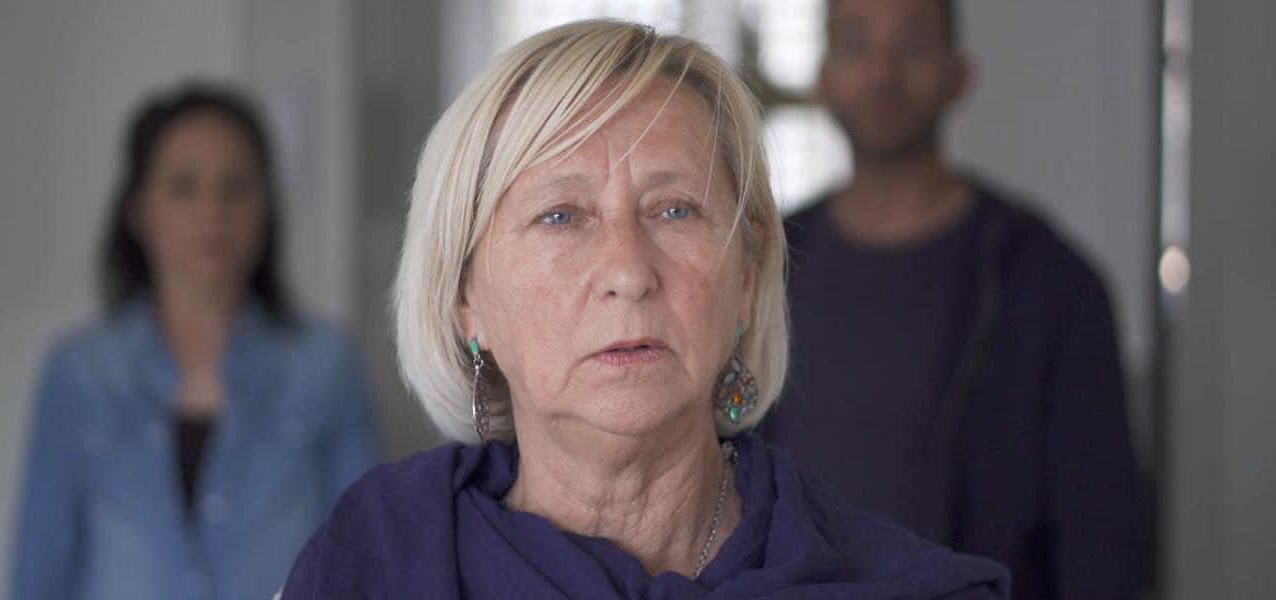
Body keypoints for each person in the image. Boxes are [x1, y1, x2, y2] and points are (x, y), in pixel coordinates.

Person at [278, 20, 1008, 599]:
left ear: (745, 276)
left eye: (674, 209)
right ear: (465, 298)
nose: (628, 272)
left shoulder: (895, 585)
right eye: (561, 216)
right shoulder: (372, 563)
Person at [758, 1, 1149, 598]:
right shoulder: (768, 266)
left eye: (913, 45)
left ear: (958, 75)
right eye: (857, 44)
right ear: (824, 78)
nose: (883, 72)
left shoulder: (1044, 280)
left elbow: (1101, 538)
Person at [10, 84, 380, 600]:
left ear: (266, 207)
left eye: (236, 186)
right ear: (139, 209)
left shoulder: (328, 366)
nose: (212, 210)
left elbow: (366, 563)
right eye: (184, 186)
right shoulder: (79, 372)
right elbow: (40, 573)